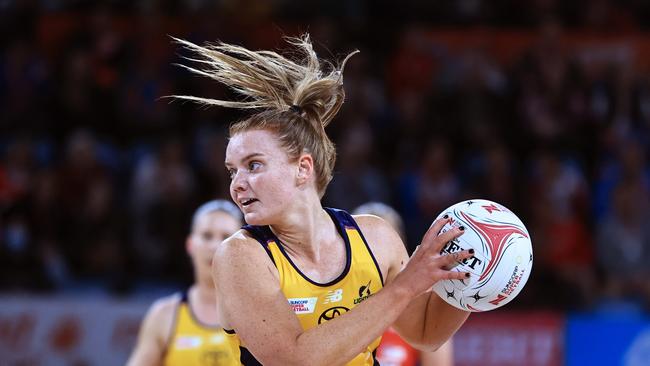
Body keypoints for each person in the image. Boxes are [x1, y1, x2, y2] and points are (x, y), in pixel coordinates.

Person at [173, 34, 474, 365]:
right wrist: (403, 288)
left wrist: (478, 282)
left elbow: (427, 333)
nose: (237, 185)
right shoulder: (240, 255)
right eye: (232, 171)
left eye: (253, 166)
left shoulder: (376, 237)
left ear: (303, 168)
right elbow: (294, 361)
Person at [127, 200, 243, 366]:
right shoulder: (164, 315)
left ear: (243, 247)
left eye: (226, 237)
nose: (215, 246)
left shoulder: (261, 311)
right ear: (190, 245)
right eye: (207, 236)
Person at [353, 202, 453, 366]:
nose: (374, 254)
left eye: (380, 244)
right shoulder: (334, 299)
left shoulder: (422, 305)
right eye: (365, 244)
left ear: (400, 247)